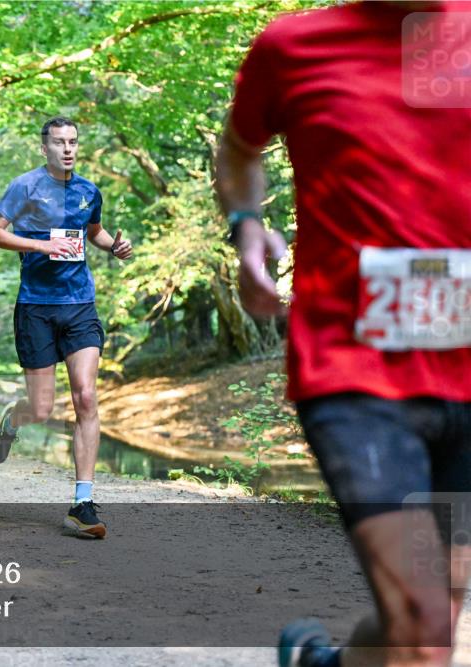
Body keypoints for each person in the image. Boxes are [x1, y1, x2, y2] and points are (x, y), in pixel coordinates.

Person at [215, 2, 470, 665]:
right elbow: (240, 150)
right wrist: (247, 227)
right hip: (357, 371)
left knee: (426, 620)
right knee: (421, 620)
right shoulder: (296, 48)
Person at [0, 117, 133, 539]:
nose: (67, 149)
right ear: (43, 147)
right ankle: (12, 422)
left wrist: (115, 247)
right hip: (36, 307)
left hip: (79, 305)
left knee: (86, 395)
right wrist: (40, 244)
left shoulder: (89, 191)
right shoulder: (24, 187)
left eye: (72, 142)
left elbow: (95, 234)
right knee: (43, 409)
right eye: (58, 142)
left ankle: (82, 503)